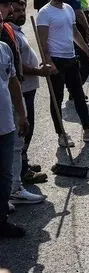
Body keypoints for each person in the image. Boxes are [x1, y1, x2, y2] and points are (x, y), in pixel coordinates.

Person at [34, 0, 89, 147]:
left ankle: (88, 131)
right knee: (56, 99)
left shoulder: (68, 8)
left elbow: (74, 33)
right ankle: (61, 134)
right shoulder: (44, 13)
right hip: (56, 61)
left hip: (71, 58)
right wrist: (48, 61)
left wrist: (88, 52)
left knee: (79, 96)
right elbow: (42, 42)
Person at [3, 0, 48, 206]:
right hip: (12, 95)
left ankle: (16, 180)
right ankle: (14, 187)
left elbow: (14, 69)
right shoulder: (5, 32)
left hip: (18, 91)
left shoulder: (9, 31)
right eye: (10, 7)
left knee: (18, 139)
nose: (14, 11)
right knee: (13, 142)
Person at [0, 32, 27, 239]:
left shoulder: (4, 48)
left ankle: (1, 220)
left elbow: (13, 82)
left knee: (6, 176)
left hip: (6, 124)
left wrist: (21, 115)